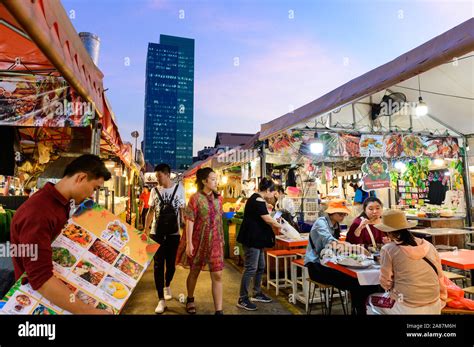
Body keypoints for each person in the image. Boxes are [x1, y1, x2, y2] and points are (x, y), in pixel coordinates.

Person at [10, 154, 111, 314]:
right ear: (81, 177)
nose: (92, 194)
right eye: (94, 188)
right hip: (38, 303)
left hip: (60, 297)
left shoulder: (58, 204)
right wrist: (87, 311)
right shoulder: (39, 211)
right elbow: (40, 279)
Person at [304, 198, 380, 315]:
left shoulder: (336, 225)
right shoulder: (321, 222)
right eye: (340, 213)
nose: (343, 216)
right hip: (316, 266)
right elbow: (331, 243)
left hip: (330, 263)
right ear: (331, 212)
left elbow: (336, 247)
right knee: (356, 283)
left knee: (359, 282)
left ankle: (360, 310)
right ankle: (359, 311)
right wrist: (355, 248)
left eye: (344, 213)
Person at [367, 210, 447, 314]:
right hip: (435, 304)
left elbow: (385, 283)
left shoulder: (388, 249)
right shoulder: (429, 245)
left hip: (406, 306)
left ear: (389, 232)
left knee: (369, 300)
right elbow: (440, 276)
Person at [176, 168, 225, 315]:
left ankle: (219, 310)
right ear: (204, 181)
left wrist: (221, 239)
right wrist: (189, 243)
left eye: (216, 179)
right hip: (199, 240)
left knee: (217, 275)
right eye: (213, 179)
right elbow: (190, 220)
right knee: (194, 271)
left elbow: (219, 220)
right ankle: (190, 299)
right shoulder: (195, 198)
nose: (216, 181)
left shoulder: (219, 198)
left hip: (215, 241)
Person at [237, 178, 283, 311]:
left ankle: (257, 293)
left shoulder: (258, 199)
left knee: (260, 266)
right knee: (251, 268)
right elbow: (267, 219)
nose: (273, 195)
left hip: (257, 239)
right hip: (251, 239)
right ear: (268, 190)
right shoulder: (257, 199)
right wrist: (281, 226)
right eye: (272, 192)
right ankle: (243, 298)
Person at [144, 164, 185, 314]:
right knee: (158, 266)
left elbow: (182, 211)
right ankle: (161, 299)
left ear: (167, 174)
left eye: (159, 176)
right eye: (156, 177)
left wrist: (186, 229)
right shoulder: (154, 190)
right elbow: (150, 211)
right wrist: (146, 229)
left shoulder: (179, 188)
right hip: (157, 233)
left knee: (172, 265)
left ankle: (167, 284)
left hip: (174, 233)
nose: (157, 179)